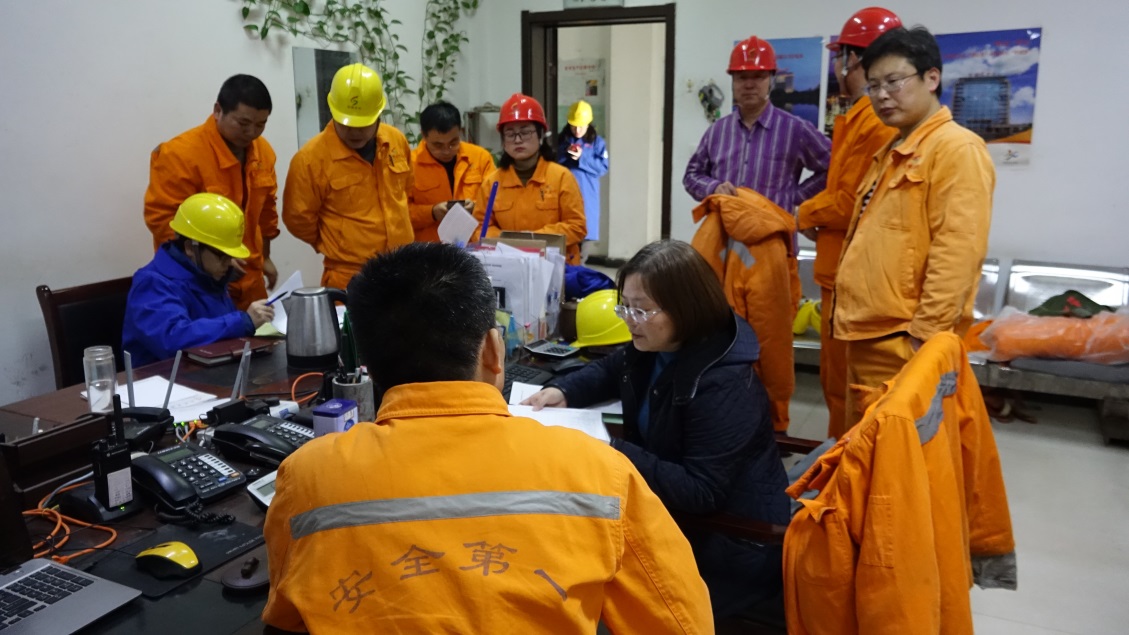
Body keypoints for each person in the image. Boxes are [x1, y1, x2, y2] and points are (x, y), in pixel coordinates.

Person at [261, 243, 713, 634]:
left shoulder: (306, 478)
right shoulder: (602, 475)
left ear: (369, 367)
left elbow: (287, 615)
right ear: (494, 351)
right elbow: (680, 622)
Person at [523, 240, 790, 620]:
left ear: (686, 308)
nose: (629, 319)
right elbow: (612, 369)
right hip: (673, 516)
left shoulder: (724, 384)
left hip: (731, 542)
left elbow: (702, 491)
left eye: (641, 309)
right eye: (624, 306)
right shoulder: (658, 345)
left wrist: (611, 448)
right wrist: (563, 391)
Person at [832, 26, 995, 428]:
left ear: (931, 78)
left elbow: (958, 251)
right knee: (866, 449)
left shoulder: (957, 149)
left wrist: (925, 338)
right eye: (873, 86)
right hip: (869, 334)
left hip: (905, 341)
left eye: (894, 81)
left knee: (897, 454)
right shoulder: (893, 150)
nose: (882, 95)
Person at [797, 7, 902, 438]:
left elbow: (851, 202)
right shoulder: (862, 116)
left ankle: (845, 466)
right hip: (840, 271)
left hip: (851, 275)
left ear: (854, 59)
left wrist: (802, 214)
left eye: (841, 57)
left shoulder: (876, 121)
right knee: (838, 382)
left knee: (845, 386)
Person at [144, 74, 279, 310]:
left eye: (261, 125)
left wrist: (265, 256)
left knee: (262, 334)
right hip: (198, 286)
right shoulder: (180, 155)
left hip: (249, 278)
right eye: (243, 123)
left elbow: (266, 211)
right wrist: (216, 260)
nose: (252, 132)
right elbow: (163, 221)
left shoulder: (263, 152)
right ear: (218, 111)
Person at [283, 63, 414, 290]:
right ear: (332, 111)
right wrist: (336, 241)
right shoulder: (310, 159)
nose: (354, 132)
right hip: (349, 275)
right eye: (346, 123)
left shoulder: (395, 141)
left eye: (363, 124)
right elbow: (298, 219)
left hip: (403, 266)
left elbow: (407, 189)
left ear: (378, 114)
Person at [683, 35, 830, 215]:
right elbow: (691, 176)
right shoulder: (717, 132)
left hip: (775, 229)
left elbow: (833, 168)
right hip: (724, 228)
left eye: (758, 77)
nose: (749, 85)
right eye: (741, 77)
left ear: (771, 80)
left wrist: (794, 197)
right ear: (733, 81)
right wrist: (713, 188)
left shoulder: (795, 130)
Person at [124, 194, 273, 367]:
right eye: (222, 256)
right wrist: (241, 322)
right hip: (165, 379)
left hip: (209, 374)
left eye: (230, 256)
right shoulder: (152, 284)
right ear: (190, 247)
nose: (229, 263)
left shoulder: (209, 276)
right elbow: (173, 340)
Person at [476, 93, 587, 265]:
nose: (518, 140)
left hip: (558, 268)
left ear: (540, 135)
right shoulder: (492, 183)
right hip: (508, 265)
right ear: (503, 141)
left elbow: (577, 226)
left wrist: (533, 240)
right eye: (510, 134)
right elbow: (480, 228)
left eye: (525, 132)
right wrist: (510, 242)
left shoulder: (561, 177)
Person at [408, 101, 495, 242]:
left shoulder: (480, 158)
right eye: (438, 145)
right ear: (423, 135)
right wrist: (431, 212)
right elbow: (400, 213)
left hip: (473, 245)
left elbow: (497, 201)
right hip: (430, 248)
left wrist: (476, 207)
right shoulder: (410, 165)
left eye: (453, 143)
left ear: (460, 131)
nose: (446, 151)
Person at [557, 100, 609, 243]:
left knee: (583, 238)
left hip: (587, 195)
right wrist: (565, 153)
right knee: (562, 237)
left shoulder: (597, 142)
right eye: (574, 126)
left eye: (581, 126)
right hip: (564, 193)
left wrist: (582, 157)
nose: (577, 130)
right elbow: (551, 163)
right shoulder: (562, 140)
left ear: (588, 124)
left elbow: (603, 167)